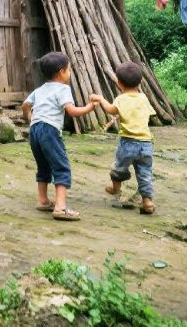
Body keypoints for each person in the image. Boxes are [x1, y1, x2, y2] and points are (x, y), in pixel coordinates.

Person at [22, 51, 98, 221]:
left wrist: (30, 117)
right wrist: (89, 107)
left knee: (43, 166)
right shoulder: (63, 89)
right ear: (61, 72)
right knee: (61, 166)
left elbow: (25, 104)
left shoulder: (40, 89)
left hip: (34, 130)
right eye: (69, 70)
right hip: (49, 131)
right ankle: (60, 207)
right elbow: (72, 111)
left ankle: (43, 201)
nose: (69, 73)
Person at [89, 61, 156, 214]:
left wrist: (100, 99)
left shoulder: (121, 99)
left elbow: (111, 110)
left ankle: (115, 188)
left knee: (118, 168)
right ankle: (147, 202)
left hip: (128, 142)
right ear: (140, 82)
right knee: (145, 173)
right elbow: (147, 114)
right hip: (146, 144)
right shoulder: (144, 98)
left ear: (118, 83)